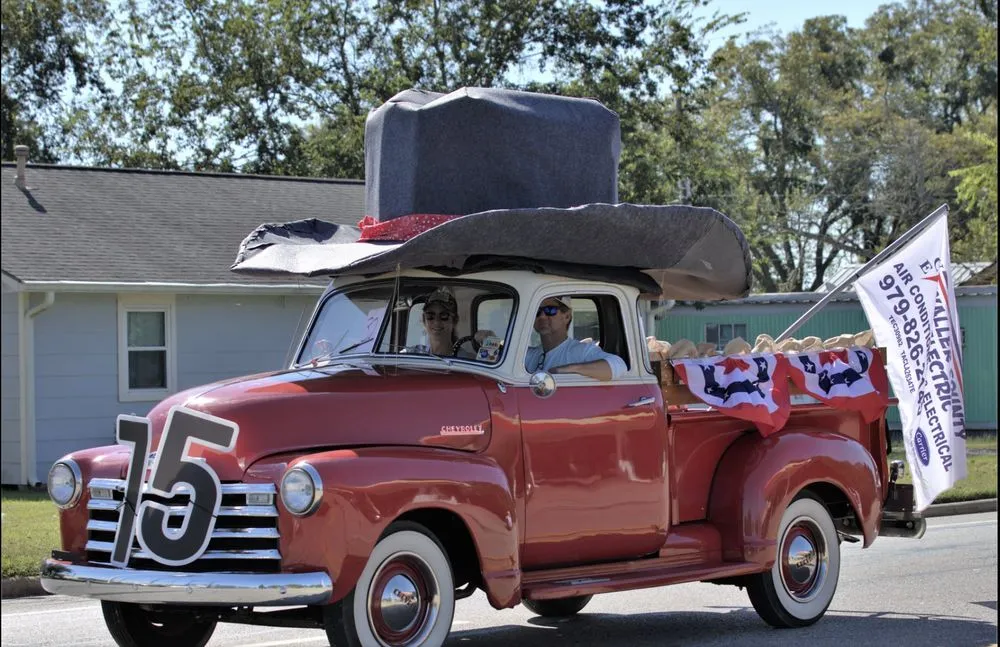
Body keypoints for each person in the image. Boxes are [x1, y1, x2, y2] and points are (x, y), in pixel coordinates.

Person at [524, 296, 627, 381]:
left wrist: (568, 369)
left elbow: (619, 365)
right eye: (537, 311)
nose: (542, 316)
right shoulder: (528, 355)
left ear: (567, 316)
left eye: (550, 310)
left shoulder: (581, 351)